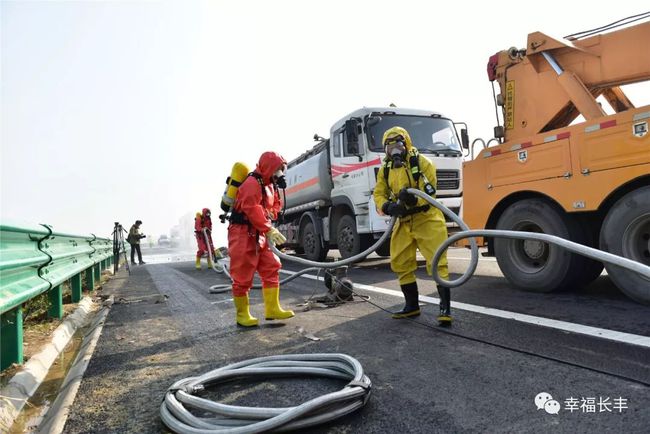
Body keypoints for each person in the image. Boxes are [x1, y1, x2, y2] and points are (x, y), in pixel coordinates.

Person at [373, 126, 452, 326]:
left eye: (398, 145)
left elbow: (430, 192)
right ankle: (411, 306)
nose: (395, 151)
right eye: (390, 148)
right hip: (403, 221)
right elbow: (379, 192)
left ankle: (445, 308)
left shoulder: (422, 163)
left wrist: (412, 199)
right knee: (400, 261)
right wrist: (387, 205)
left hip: (427, 218)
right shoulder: (385, 169)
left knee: (437, 262)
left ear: (406, 144)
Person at [227, 151, 294, 327]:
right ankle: (242, 315)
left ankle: (272, 309)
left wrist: (272, 216)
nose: (279, 173)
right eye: (277, 169)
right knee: (242, 274)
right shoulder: (251, 183)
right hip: (242, 233)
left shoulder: (269, 185)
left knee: (271, 266)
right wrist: (268, 228)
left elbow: (273, 205)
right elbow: (252, 208)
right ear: (268, 168)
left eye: (281, 169)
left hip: (259, 232)